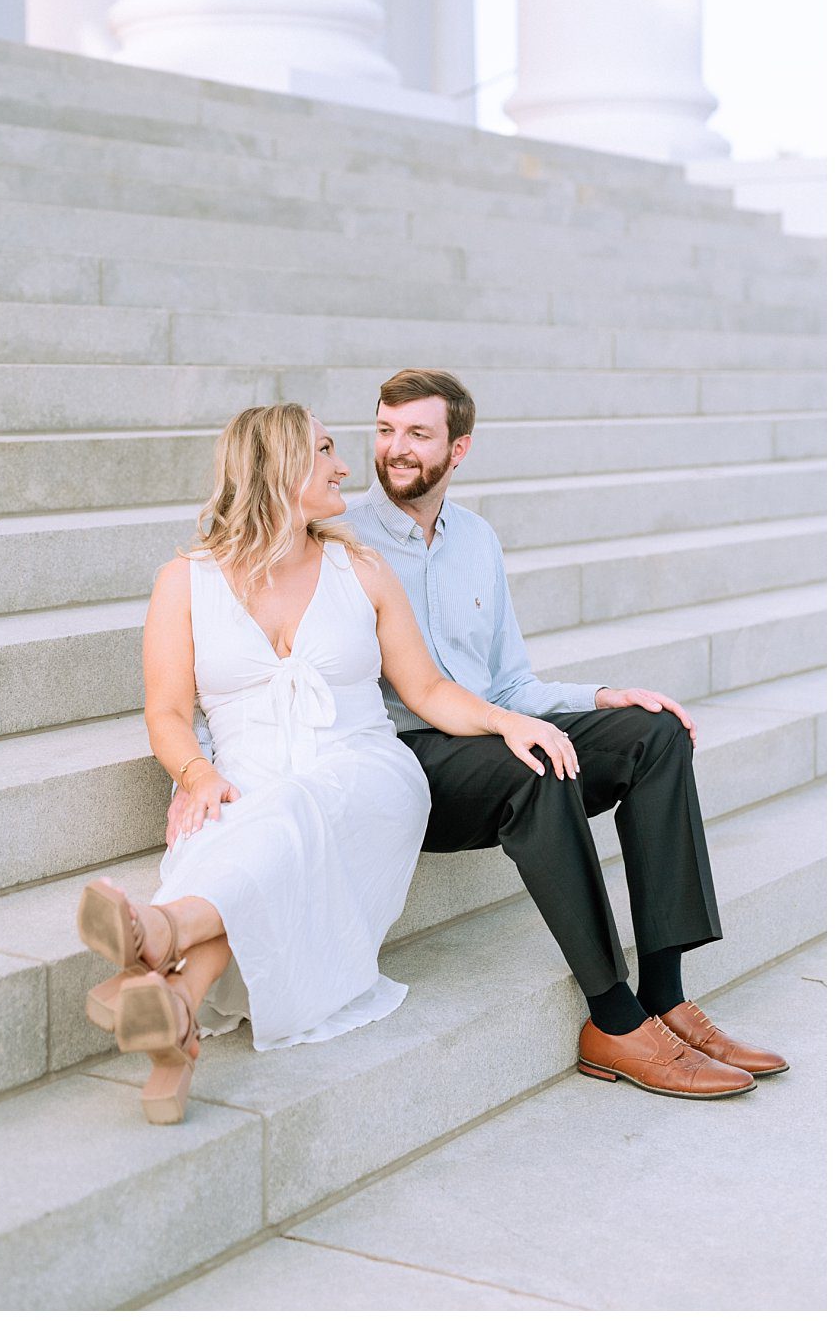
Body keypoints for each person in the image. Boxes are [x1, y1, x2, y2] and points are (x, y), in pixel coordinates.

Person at [76, 403, 593, 1124]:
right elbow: (166, 712)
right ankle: (177, 1011)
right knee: (253, 822)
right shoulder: (184, 581)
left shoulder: (364, 569)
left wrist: (510, 720)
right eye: (324, 450)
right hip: (243, 774)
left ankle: (158, 932)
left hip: (365, 773)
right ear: (281, 466)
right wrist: (197, 775)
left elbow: (430, 690)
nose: (344, 465)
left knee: (283, 815)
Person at [345, 368, 787, 1100]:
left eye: (417, 434)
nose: (395, 449)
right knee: (537, 768)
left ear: (458, 450)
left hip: (492, 729)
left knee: (655, 734)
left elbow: (511, 683)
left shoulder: (477, 540)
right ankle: (613, 1022)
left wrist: (605, 696)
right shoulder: (342, 540)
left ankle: (665, 998)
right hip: (410, 758)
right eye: (386, 430)